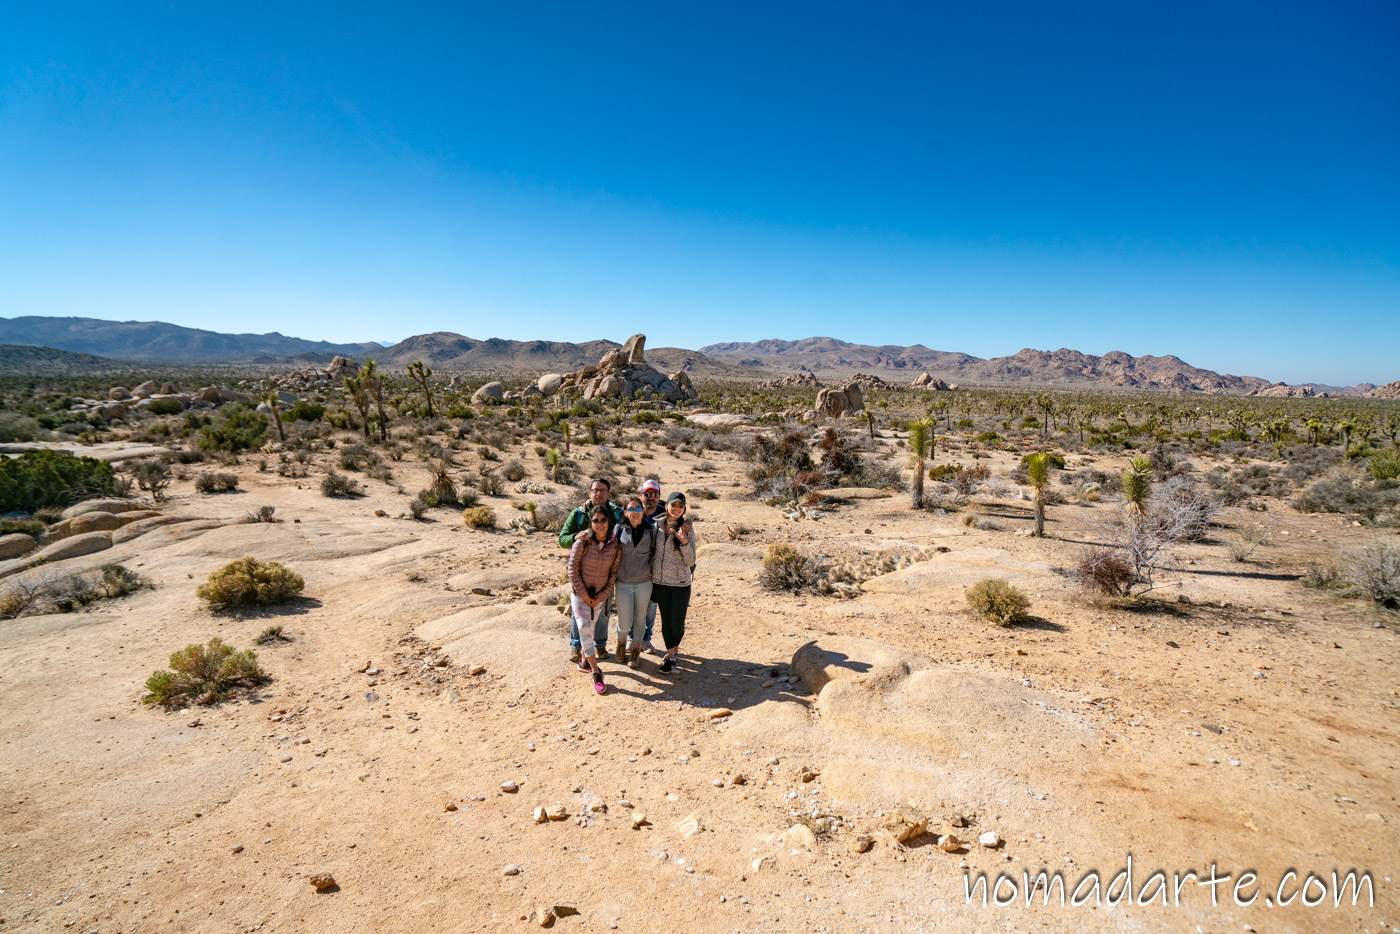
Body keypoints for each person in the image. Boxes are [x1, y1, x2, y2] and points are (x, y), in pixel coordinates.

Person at [559, 478, 622, 661]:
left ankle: (599, 645)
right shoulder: (578, 514)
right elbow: (562, 538)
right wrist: (574, 537)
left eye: (603, 490)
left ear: (609, 494)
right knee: (578, 610)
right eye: (595, 490)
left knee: (603, 610)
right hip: (582, 570)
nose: (599, 493)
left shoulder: (617, 513)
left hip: (606, 569)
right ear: (589, 493)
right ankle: (576, 646)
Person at [567, 505, 620, 695]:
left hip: (598, 597)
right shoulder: (581, 542)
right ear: (591, 522)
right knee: (583, 628)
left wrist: (602, 596)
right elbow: (572, 570)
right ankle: (597, 672)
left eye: (603, 520)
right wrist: (583, 595)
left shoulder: (615, 545)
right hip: (580, 595)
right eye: (595, 520)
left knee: (589, 626)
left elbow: (613, 574)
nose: (600, 524)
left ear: (609, 522)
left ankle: (583, 661)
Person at [651, 491, 697, 674]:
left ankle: (673, 651)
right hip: (660, 582)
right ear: (666, 506)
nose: (677, 509)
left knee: (677, 623)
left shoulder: (686, 529)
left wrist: (685, 543)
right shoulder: (657, 526)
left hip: (680, 584)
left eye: (681, 506)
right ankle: (671, 657)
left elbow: (691, 561)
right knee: (665, 622)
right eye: (674, 505)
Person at [614, 495, 657, 669]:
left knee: (640, 620)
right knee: (624, 623)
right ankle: (621, 643)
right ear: (625, 512)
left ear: (643, 510)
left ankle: (635, 652)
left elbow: (654, 554)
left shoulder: (651, 530)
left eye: (638, 509)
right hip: (623, 582)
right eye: (630, 509)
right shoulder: (619, 529)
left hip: (644, 582)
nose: (635, 512)